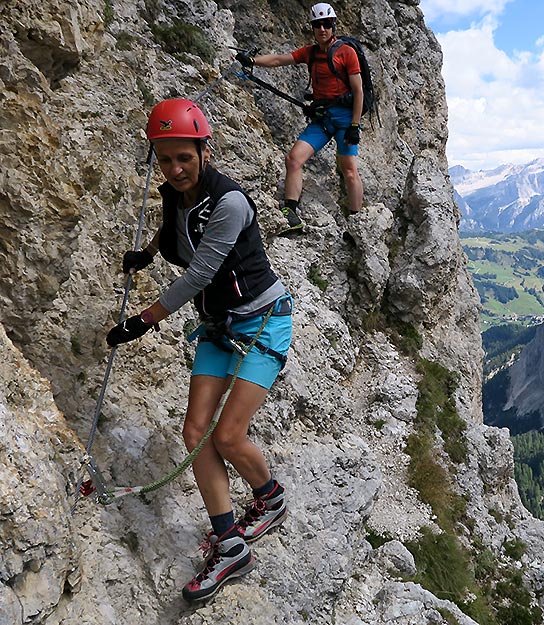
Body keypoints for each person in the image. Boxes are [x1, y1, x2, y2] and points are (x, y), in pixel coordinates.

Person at [106, 98, 293, 602]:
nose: (175, 168)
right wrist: (144, 256)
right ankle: (229, 542)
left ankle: (270, 498)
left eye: (183, 157)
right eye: (164, 159)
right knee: (194, 431)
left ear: (203, 151)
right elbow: (173, 231)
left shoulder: (229, 202)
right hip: (218, 326)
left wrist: (142, 321)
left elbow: (201, 272)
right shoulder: (174, 192)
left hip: (264, 323)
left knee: (229, 436)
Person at [237, 2, 364, 230]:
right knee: (294, 159)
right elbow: (279, 60)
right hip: (323, 118)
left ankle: (357, 224)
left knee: (349, 169)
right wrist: (252, 61)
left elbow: (358, 91)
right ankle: (291, 214)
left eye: (326, 24)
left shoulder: (347, 53)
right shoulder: (310, 53)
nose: (322, 29)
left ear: (333, 25)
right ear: (313, 28)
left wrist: (355, 125)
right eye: (318, 25)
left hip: (345, 118)